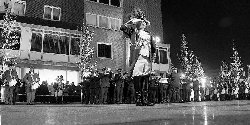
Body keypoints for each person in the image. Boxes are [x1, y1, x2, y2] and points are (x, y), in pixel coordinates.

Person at [120, 8, 156, 106]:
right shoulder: (134, 32)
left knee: (146, 78)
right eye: (142, 22)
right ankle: (138, 99)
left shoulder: (148, 34)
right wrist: (132, 21)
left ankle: (145, 99)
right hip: (138, 58)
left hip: (147, 58)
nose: (143, 23)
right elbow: (122, 27)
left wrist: (153, 55)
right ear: (138, 23)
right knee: (137, 78)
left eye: (144, 22)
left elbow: (153, 47)